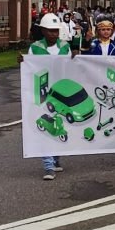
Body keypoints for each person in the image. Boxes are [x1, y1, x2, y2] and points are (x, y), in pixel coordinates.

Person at [18, 13, 69, 180]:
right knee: (46, 125)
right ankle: (48, 166)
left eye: (56, 31)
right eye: (50, 31)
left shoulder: (65, 47)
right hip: (42, 92)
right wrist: (23, 61)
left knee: (60, 124)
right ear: (44, 31)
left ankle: (56, 159)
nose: (54, 34)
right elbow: (31, 67)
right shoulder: (36, 47)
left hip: (60, 92)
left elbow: (71, 68)